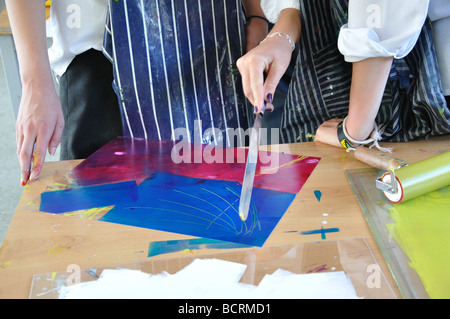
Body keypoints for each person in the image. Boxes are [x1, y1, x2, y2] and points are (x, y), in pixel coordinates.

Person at [237, 0, 450, 150]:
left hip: (415, 84)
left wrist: (353, 133)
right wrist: (280, 37)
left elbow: (379, 17)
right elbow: (294, 8)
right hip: (338, 79)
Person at [6, 0, 122, 186]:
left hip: (182, 57)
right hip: (94, 51)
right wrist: (34, 82)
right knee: (92, 204)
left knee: (177, 199)